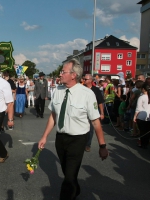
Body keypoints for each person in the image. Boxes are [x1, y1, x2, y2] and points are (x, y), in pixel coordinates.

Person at [38, 59, 108, 200]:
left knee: (69, 177)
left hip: (78, 139)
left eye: (63, 71)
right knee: (68, 173)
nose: (60, 74)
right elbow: (53, 116)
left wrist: (102, 146)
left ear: (73, 75)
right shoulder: (58, 90)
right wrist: (44, 136)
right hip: (61, 139)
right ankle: (75, 189)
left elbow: (95, 122)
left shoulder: (87, 94)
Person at [83, 74, 105, 152]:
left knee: (90, 129)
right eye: (84, 79)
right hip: (83, 112)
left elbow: (100, 102)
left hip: (92, 111)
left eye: (85, 79)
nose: (84, 80)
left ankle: (87, 144)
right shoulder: (82, 89)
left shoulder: (96, 90)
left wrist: (102, 113)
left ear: (90, 80)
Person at [133, 82, 150, 149]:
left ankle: (142, 143)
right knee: (147, 131)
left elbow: (138, 108)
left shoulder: (141, 97)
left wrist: (135, 116)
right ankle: (146, 143)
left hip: (141, 116)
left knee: (142, 131)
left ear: (143, 89)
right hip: (148, 116)